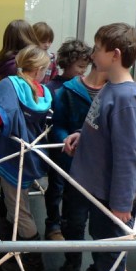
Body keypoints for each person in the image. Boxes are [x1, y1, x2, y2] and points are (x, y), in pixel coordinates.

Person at [59, 23, 136, 271]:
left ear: (115, 54)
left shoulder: (126, 98)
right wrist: (82, 136)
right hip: (95, 189)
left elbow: (129, 155)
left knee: (109, 249)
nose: (92, 53)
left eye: (97, 48)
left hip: (110, 197)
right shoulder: (110, 87)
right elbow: (105, 131)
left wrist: (121, 203)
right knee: (99, 243)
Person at [0, 45, 52, 271]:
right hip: (32, 156)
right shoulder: (42, 91)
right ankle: (15, 251)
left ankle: (34, 264)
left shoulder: (10, 84)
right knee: (18, 204)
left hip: (13, 156)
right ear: (38, 69)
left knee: (19, 210)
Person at [42, 39, 92, 242]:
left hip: (80, 148)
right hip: (59, 147)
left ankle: (67, 224)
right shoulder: (53, 88)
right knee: (56, 187)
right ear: (66, 63)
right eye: (79, 66)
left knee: (74, 191)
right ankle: (53, 225)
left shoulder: (85, 86)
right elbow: (50, 121)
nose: (83, 71)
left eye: (85, 67)